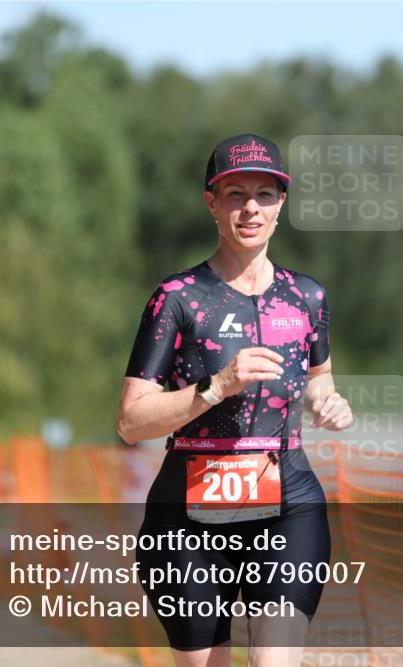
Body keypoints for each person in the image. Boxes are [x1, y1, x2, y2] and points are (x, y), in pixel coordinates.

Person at [116, 133, 353, 667]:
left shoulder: (307, 297)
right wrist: (216, 387)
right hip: (188, 517)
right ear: (212, 203)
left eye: (265, 194)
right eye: (235, 194)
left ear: (281, 204)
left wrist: (328, 401)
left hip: (288, 500)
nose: (251, 207)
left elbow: (318, 377)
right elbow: (131, 422)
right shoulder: (176, 299)